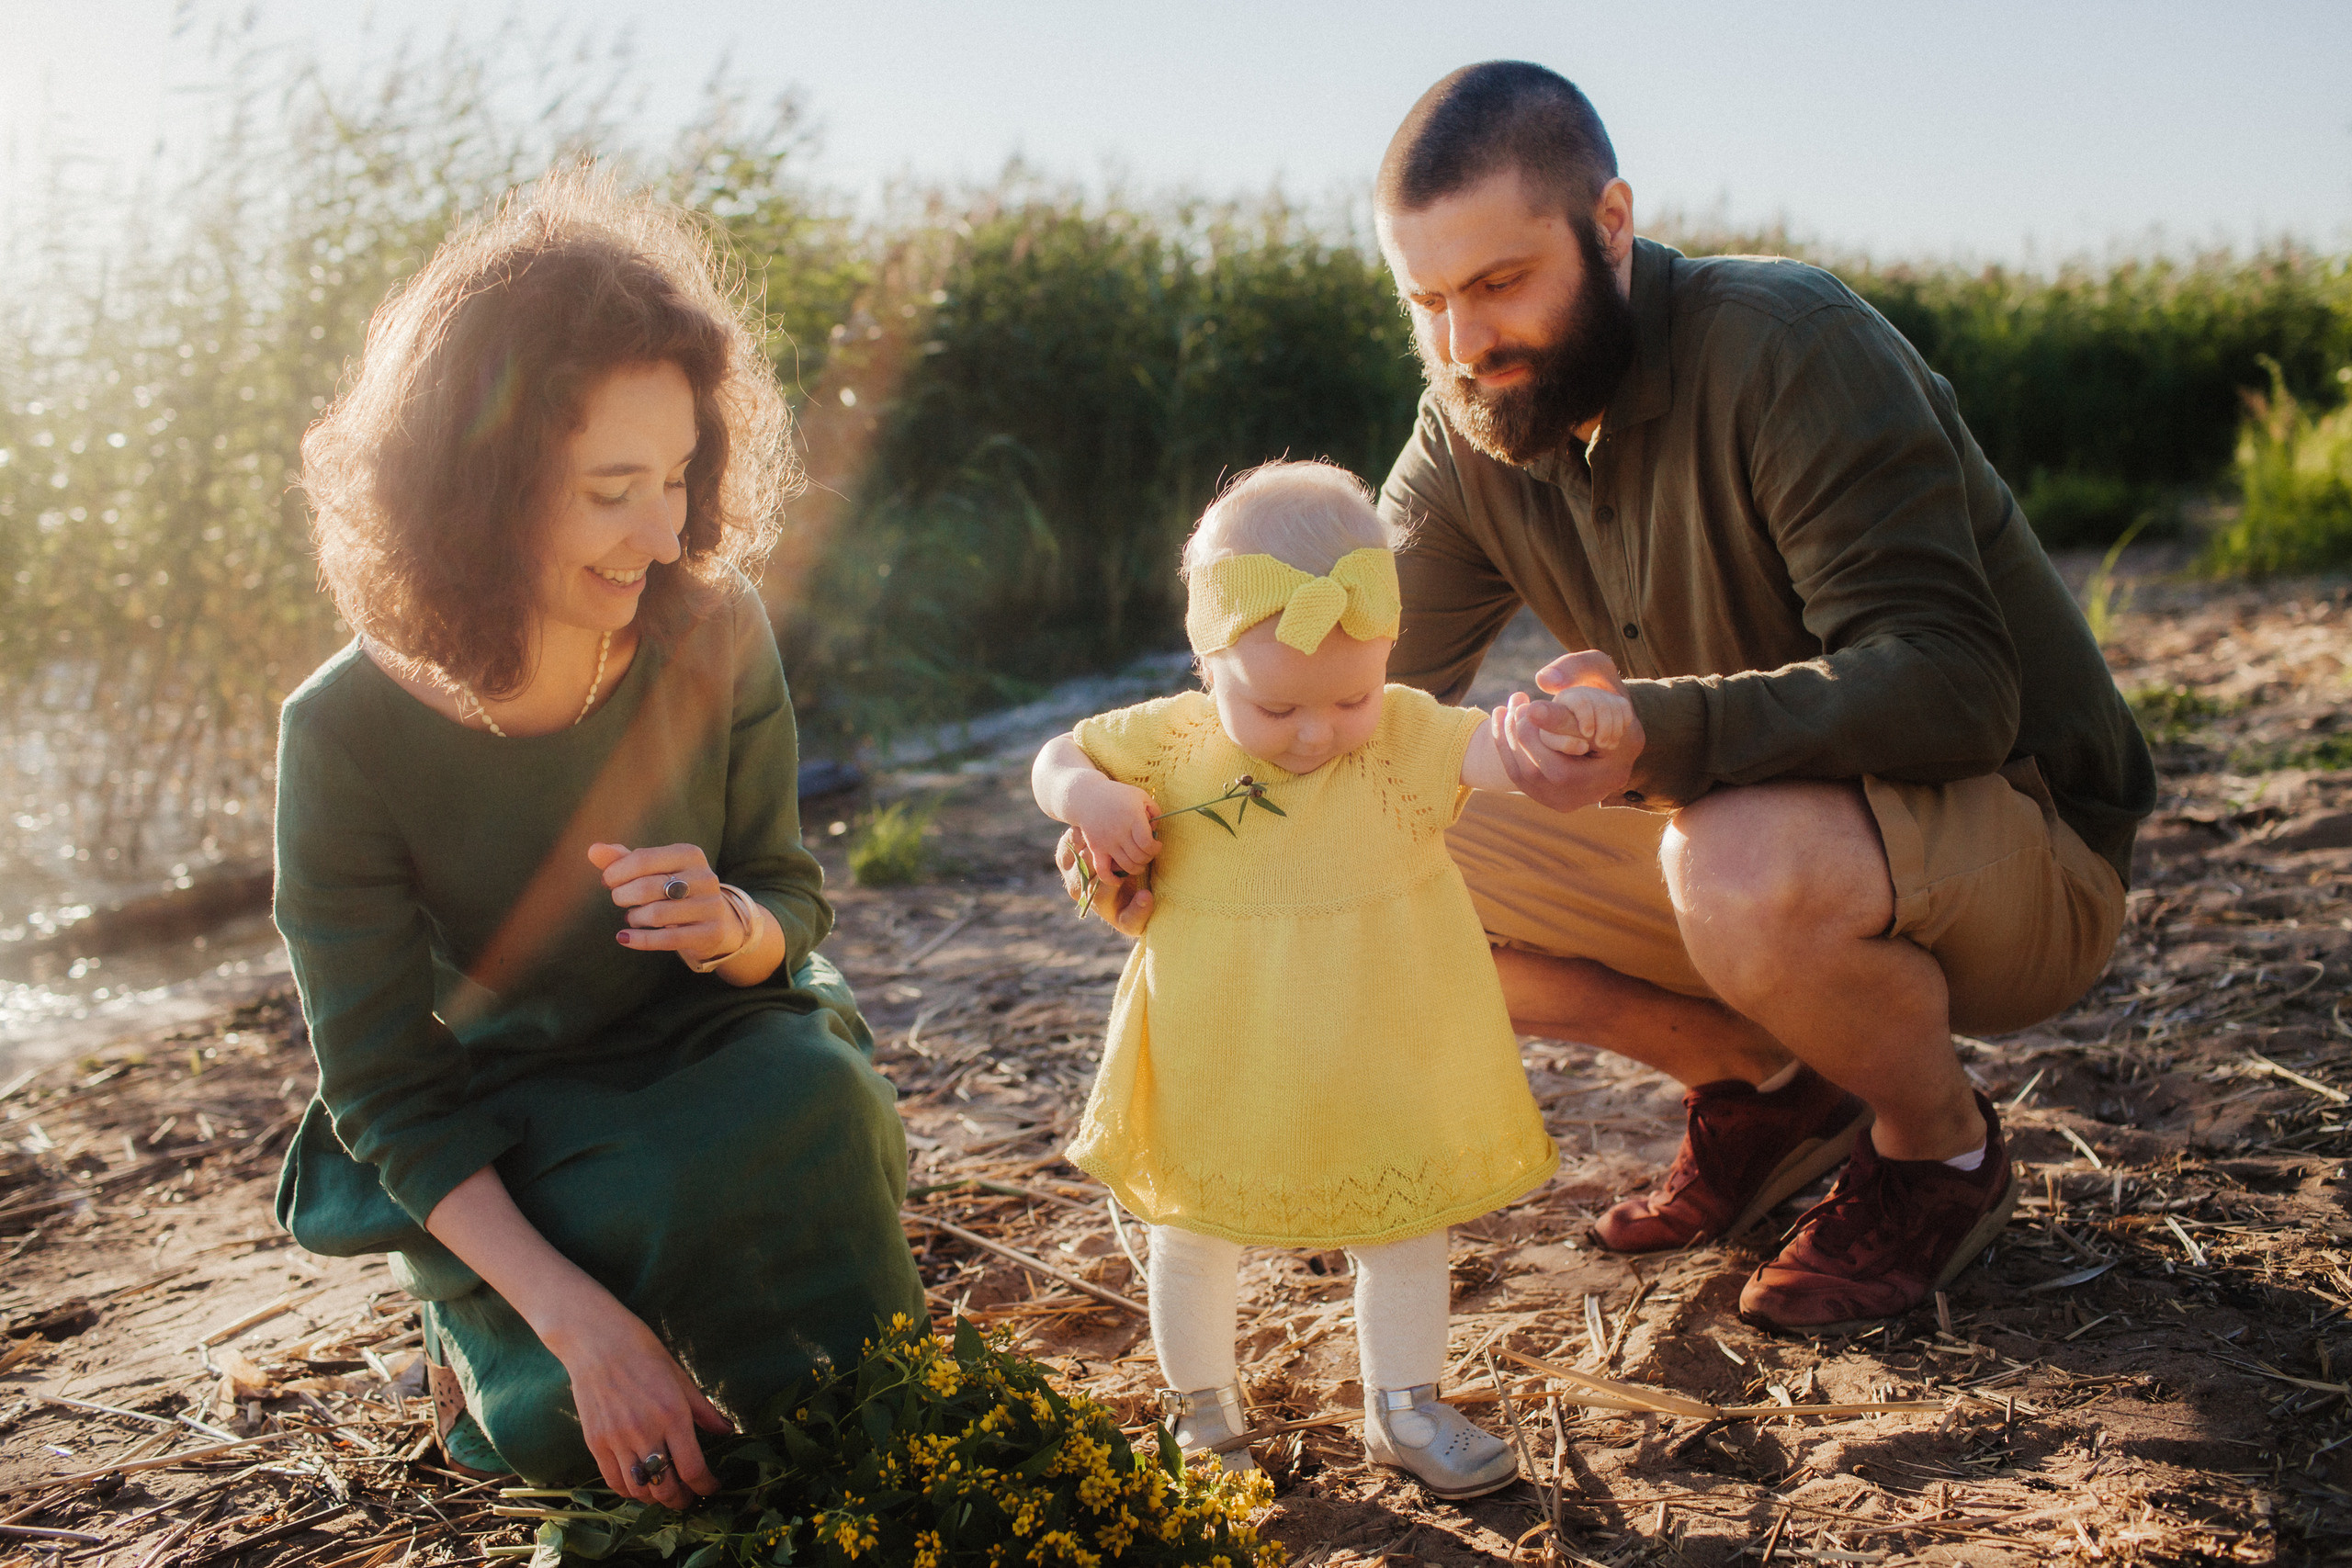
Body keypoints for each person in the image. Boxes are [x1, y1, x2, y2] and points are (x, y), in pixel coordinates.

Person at [1370, 62, 2157, 1331]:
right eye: (1427, 301)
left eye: (1501, 283)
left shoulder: (1788, 343)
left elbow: (1957, 685)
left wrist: (1661, 731)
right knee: (1353, 823)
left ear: (1610, 226)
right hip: (1753, 848)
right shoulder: (1471, 420)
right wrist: (1159, 808)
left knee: (1736, 859)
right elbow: (1343, 681)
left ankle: (1933, 1147)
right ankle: (1759, 1075)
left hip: (2021, 847)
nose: (1466, 342)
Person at [271, 170, 924, 1499]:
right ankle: (501, 1345)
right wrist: (584, 1324)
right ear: (478, 491)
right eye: (613, 487)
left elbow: (790, 898)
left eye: (681, 474)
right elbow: (387, 1089)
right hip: (514, 1107)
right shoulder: (341, 734)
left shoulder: (713, 621)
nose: (669, 529)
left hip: (722, 1034)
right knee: (645, 1210)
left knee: (821, 1105)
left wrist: (733, 925)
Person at [1034, 461, 1631, 1497]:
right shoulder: (1172, 745)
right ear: (1205, 660)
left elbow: (1495, 748)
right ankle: (1204, 1416)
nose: (1316, 734)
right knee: (1193, 1231)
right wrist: (1086, 794)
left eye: (1347, 696)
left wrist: (1550, 727)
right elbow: (1053, 758)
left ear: (1387, 656)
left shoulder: (1398, 738)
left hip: (1375, 1048)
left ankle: (1403, 1406)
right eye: (1276, 708)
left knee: (1402, 1230)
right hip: (1216, 1046)